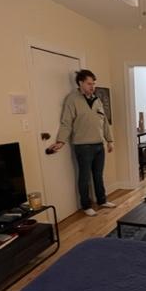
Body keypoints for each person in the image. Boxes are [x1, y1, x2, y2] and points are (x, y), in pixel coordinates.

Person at [48, 69, 116, 217]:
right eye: (89, 84)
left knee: (98, 175)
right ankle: (86, 206)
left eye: (94, 84)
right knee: (84, 177)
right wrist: (61, 141)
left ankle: (102, 200)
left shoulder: (97, 100)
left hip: (99, 145)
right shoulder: (72, 100)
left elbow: (104, 122)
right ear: (80, 83)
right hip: (83, 146)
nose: (92, 87)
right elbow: (66, 122)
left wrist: (109, 140)